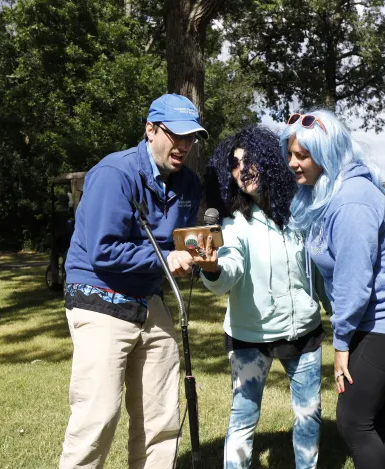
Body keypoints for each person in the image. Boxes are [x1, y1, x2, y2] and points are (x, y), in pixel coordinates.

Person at [60, 93, 206, 469]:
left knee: (161, 419)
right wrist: (165, 259)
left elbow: (184, 239)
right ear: (150, 129)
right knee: (98, 416)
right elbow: (104, 251)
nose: (185, 146)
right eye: (177, 136)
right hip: (98, 295)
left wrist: (199, 254)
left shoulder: (188, 184)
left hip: (147, 296)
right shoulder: (115, 174)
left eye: (191, 138)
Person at [280, 110, 385, 469]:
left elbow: (354, 282)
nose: (292, 163)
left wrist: (341, 344)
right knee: (376, 416)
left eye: (303, 155)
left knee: (353, 421)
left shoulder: (352, 201)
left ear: (328, 153)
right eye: (291, 154)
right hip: (372, 320)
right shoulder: (327, 193)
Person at [190, 126, 327, 469]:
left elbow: (321, 272)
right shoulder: (234, 224)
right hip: (250, 338)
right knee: (243, 418)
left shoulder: (301, 212)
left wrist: (341, 319)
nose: (243, 170)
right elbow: (229, 269)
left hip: (305, 335)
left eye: (250, 160)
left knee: (309, 417)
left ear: (269, 161)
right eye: (234, 165)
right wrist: (212, 268)